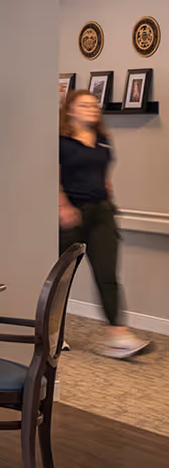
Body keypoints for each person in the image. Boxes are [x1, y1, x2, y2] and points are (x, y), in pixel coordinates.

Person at [59, 89, 150, 358]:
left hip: (102, 214)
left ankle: (118, 336)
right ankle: (52, 333)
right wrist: (63, 206)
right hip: (71, 215)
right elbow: (51, 176)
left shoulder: (103, 140)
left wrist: (106, 195)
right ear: (70, 110)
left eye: (94, 105)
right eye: (84, 105)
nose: (92, 109)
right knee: (61, 279)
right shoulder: (61, 142)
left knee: (107, 275)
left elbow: (104, 174)